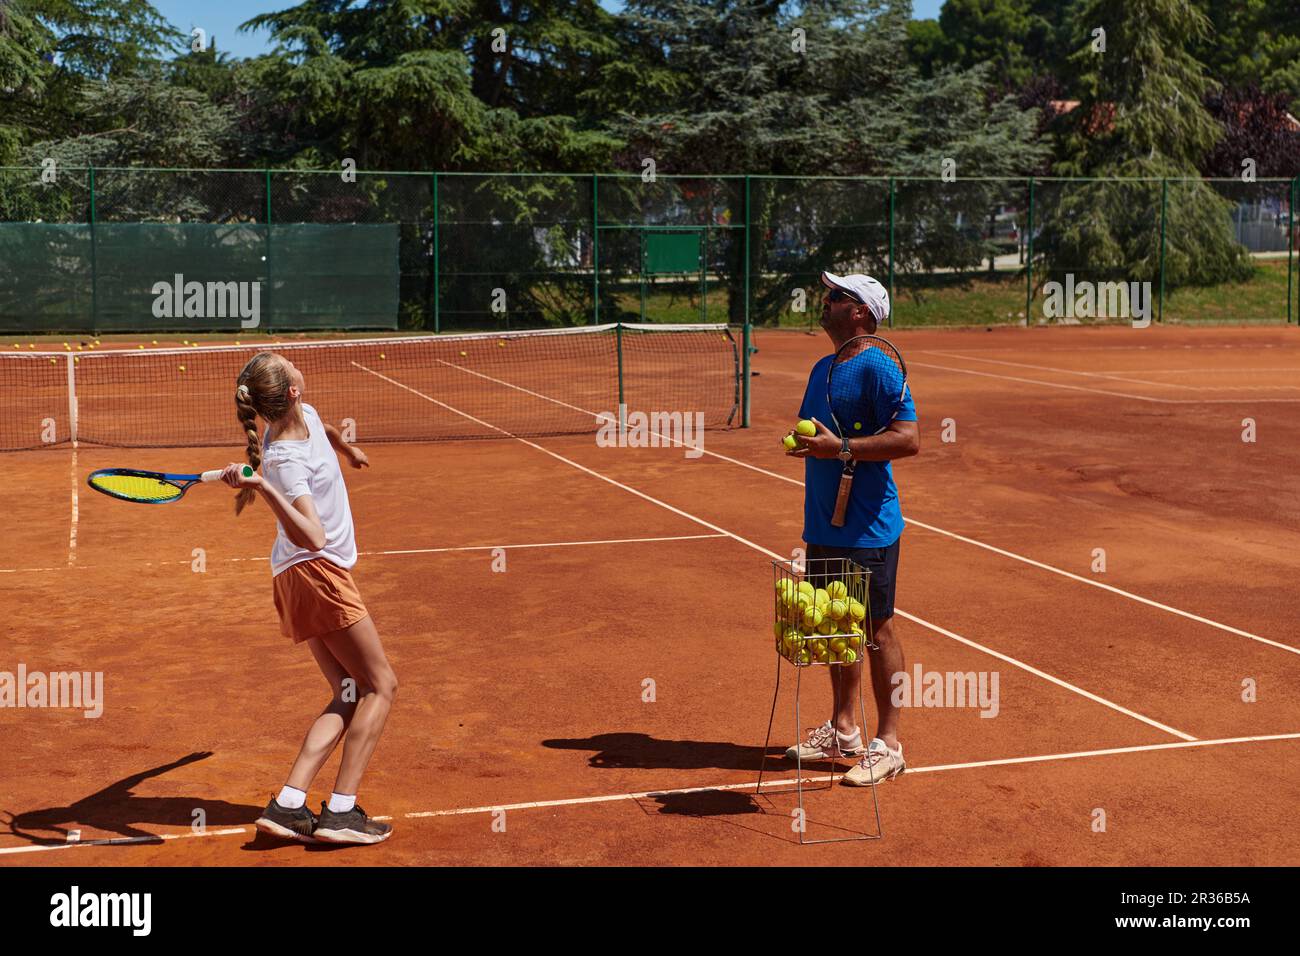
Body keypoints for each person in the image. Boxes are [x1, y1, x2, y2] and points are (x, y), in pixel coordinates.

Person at [222, 351, 397, 844]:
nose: (297, 363)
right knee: (381, 686)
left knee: (348, 691)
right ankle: (341, 812)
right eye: (290, 363)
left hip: (296, 578)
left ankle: (288, 804)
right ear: (292, 390)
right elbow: (313, 536)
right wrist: (264, 487)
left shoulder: (305, 415)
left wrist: (347, 449)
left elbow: (325, 430)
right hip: (317, 574)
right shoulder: (284, 460)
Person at [785, 272, 918, 785]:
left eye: (836, 296)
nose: (825, 302)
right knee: (836, 624)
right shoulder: (823, 367)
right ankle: (844, 730)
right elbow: (819, 434)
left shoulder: (879, 365)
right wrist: (807, 444)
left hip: (867, 527)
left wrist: (839, 448)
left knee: (875, 630)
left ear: (860, 311)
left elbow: (908, 439)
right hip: (823, 522)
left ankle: (890, 744)